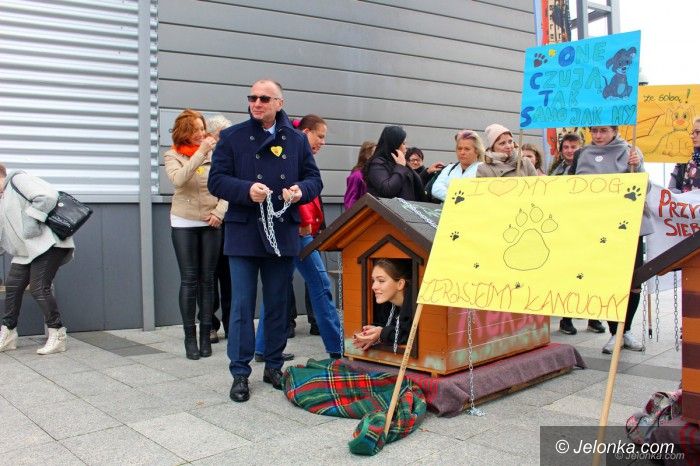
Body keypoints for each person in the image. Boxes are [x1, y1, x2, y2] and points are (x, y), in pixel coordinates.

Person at [208, 79, 322, 402]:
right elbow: (216, 181)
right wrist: (246, 190)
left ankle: (273, 365)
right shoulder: (233, 137)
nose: (256, 103)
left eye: (264, 98)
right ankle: (240, 372)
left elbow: (314, 180)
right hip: (244, 231)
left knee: (277, 303)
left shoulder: (296, 140)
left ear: (279, 103)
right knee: (242, 305)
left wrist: (299, 190)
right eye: (252, 97)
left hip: (281, 230)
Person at [255, 114, 343, 361]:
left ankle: (262, 347)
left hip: (290, 232)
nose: (323, 142)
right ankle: (337, 348)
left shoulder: (292, 153)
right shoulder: (293, 155)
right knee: (321, 286)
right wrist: (305, 223)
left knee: (277, 288)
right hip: (296, 233)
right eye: (320, 136)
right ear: (305, 133)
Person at [573, 125, 650, 354]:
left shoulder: (630, 151)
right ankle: (615, 332)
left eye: (603, 131)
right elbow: (574, 188)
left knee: (633, 281)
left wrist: (638, 167)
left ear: (614, 131)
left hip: (628, 225)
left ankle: (626, 330)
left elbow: (644, 188)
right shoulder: (583, 154)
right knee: (607, 281)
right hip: (598, 226)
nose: (598, 136)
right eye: (594, 131)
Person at [164, 109, 227, 360]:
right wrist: (200, 153)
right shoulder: (172, 155)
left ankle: (205, 335)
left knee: (208, 280)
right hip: (184, 222)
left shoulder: (217, 154)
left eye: (203, 129)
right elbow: (179, 180)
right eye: (197, 130)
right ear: (185, 132)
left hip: (211, 221)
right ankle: (190, 338)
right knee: (189, 279)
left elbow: (226, 185)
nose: (202, 133)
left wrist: (220, 212)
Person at [0, 164, 75, 355]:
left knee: (38, 287)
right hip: (26, 251)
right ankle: (8, 334)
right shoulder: (3, 197)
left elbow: (47, 197)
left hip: (48, 244)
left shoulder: (17, 180)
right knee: (13, 287)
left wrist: (31, 224)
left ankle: (58, 334)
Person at [549, 133, 605, 336]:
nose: (570, 150)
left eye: (574, 147)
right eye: (566, 147)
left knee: (591, 273)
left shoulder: (590, 165)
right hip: (565, 227)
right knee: (569, 274)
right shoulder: (555, 171)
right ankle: (566, 319)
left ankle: (594, 317)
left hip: (588, 225)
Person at [205, 114, 233, 343]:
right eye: (220, 136)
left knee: (230, 278)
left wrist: (220, 212)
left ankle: (231, 325)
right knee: (208, 277)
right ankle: (209, 324)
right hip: (206, 224)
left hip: (227, 222)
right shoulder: (201, 156)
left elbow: (231, 188)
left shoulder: (231, 157)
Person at [352, 259, 413, 352]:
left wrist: (382, 333)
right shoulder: (385, 305)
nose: (373, 287)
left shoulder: (415, 306)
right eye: (374, 280)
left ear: (400, 284)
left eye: (381, 281)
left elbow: (412, 336)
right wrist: (372, 334)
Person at [363, 126, 425, 201]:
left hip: (406, 207)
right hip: (386, 208)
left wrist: (427, 173)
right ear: (394, 144)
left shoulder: (401, 163)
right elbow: (387, 190)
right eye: (403, 143)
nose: (406, 147)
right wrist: (400, 166)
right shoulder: (377, 164)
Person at [430, 129, 485, 202]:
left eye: (467, 149)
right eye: (459, 148)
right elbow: (436, 189)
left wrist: (450, 192)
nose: (462, 152)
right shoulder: (450, 168)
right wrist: (456, 198)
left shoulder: (484, 169)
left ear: (477, 151)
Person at [668, 116, 700, 193]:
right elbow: (671, 190)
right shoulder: (683, 161)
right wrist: (687, 196)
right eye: (692, 132)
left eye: (697, 132)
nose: (692, 136)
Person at [343, 141, 375, 209]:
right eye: (375, 153)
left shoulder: (375, 174)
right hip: (362, 213)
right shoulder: (357, 176)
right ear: (367, 155)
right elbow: (350, 202)